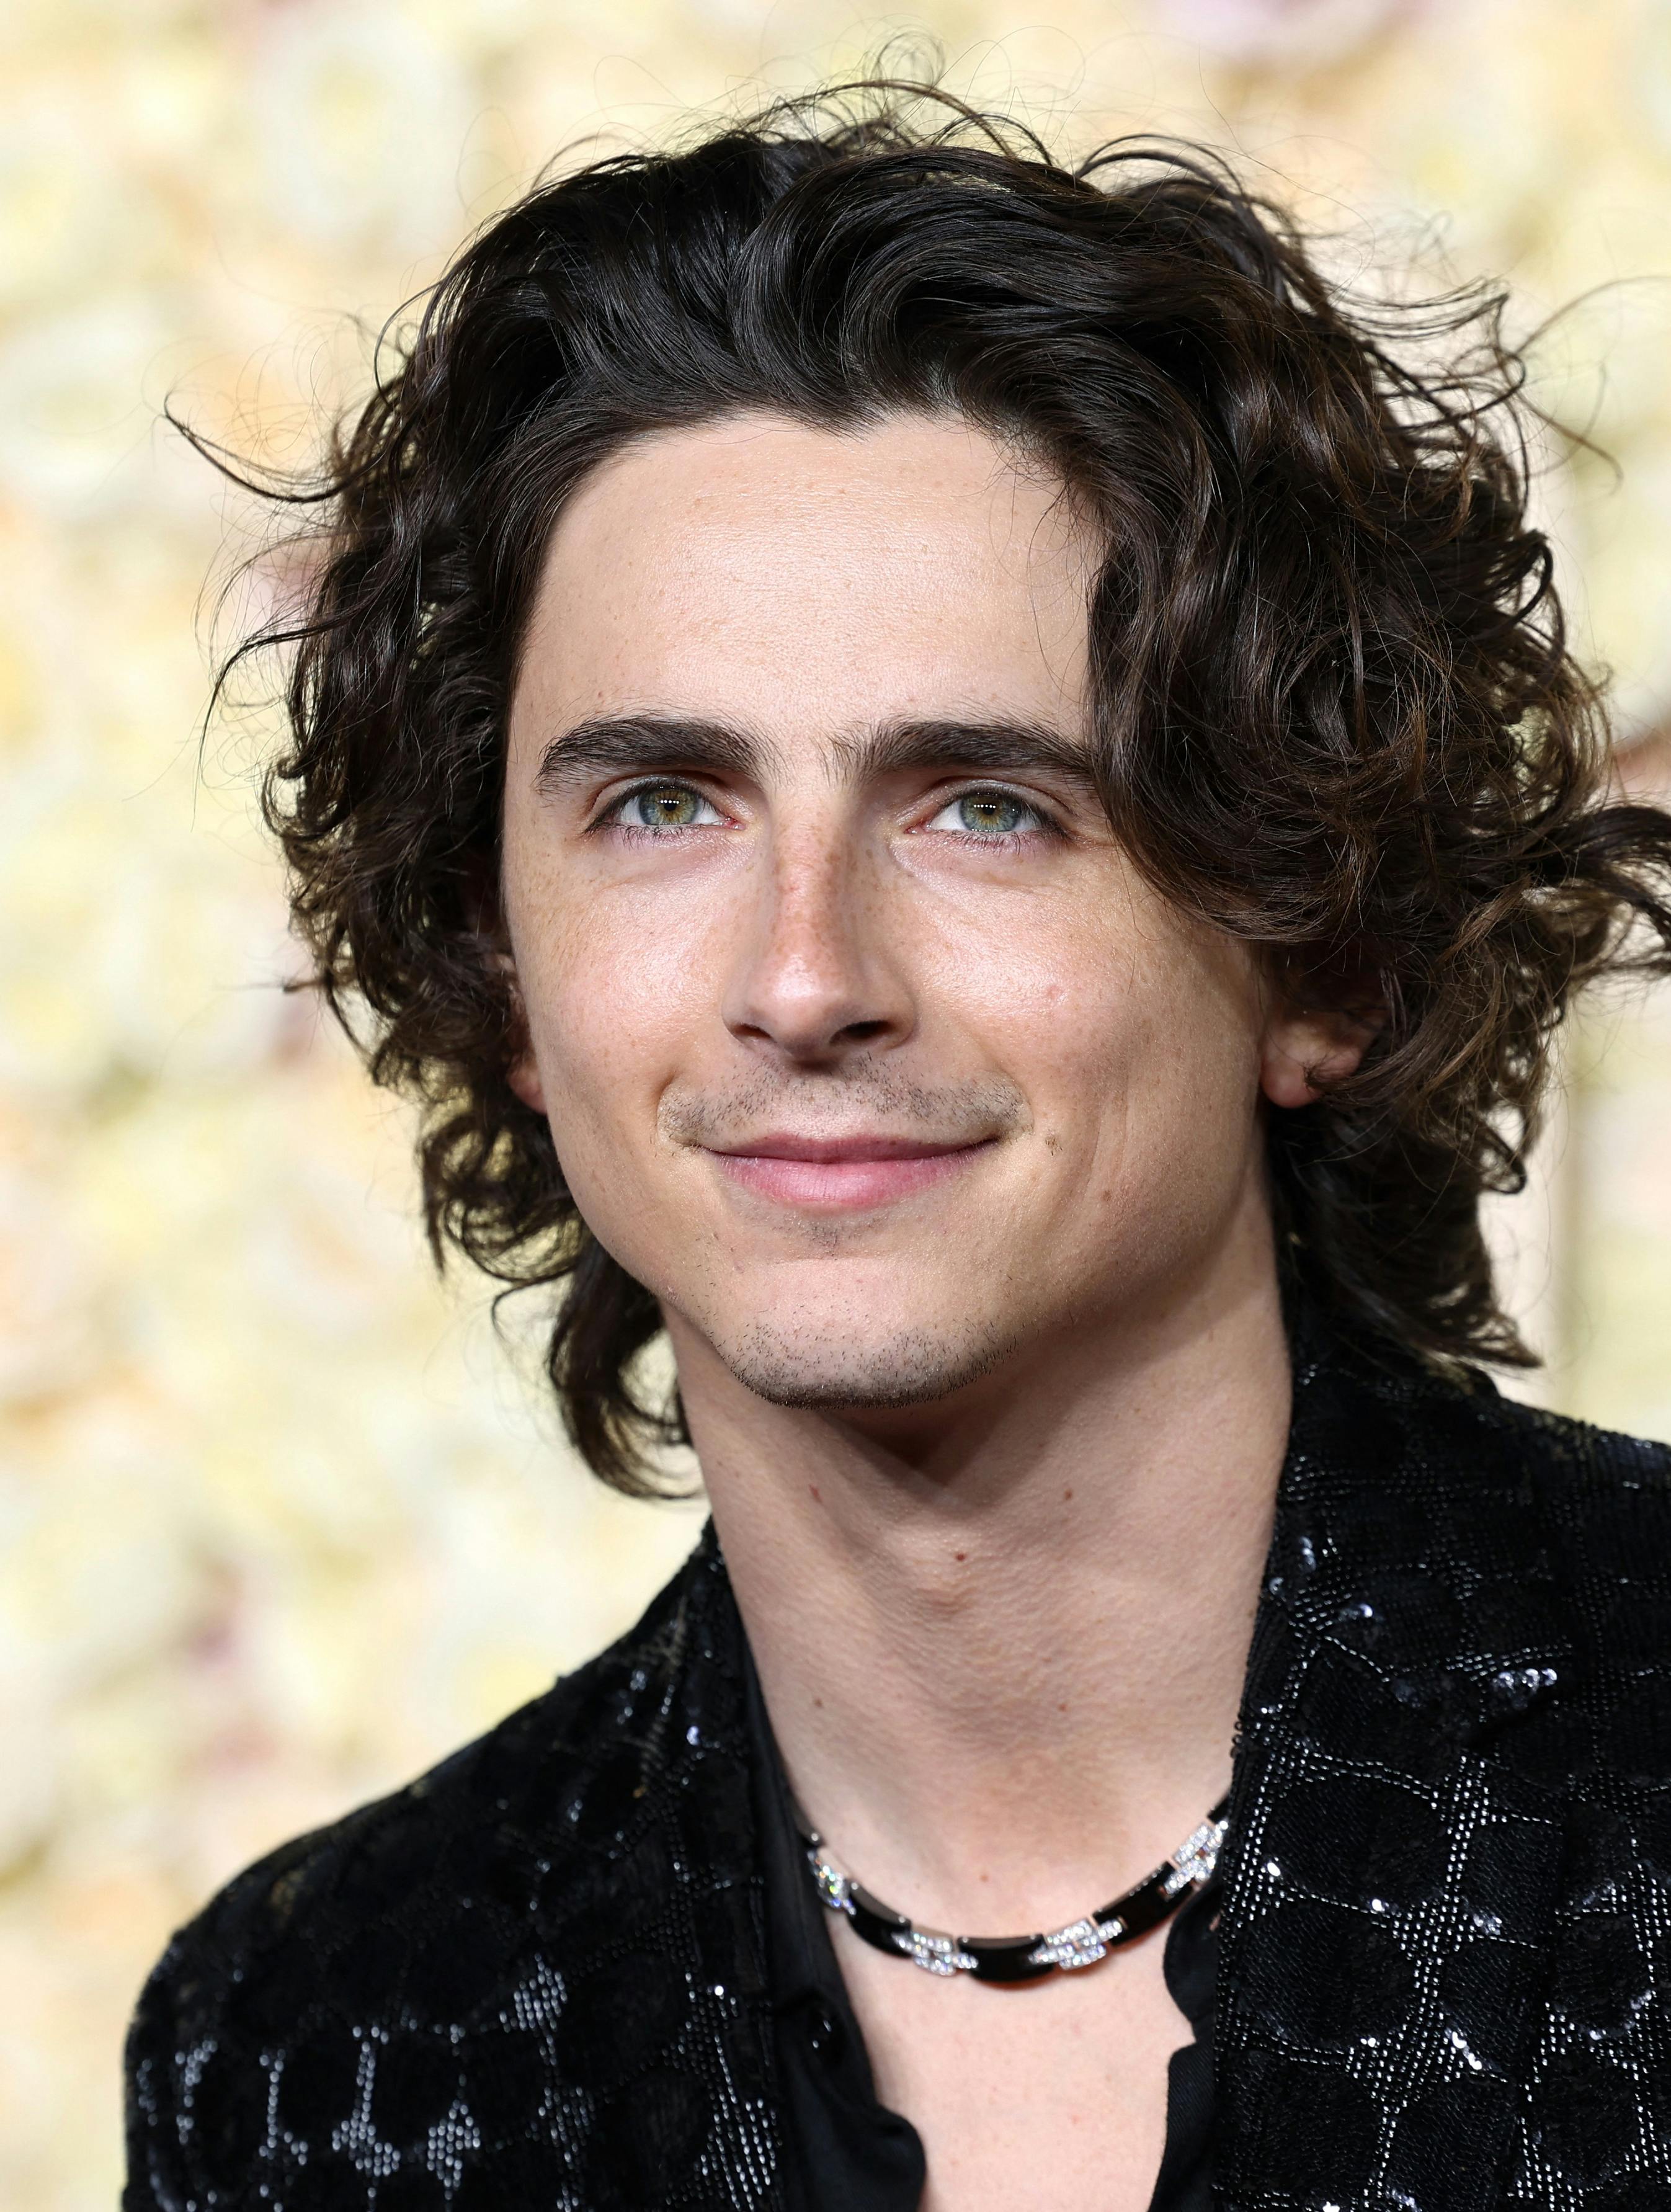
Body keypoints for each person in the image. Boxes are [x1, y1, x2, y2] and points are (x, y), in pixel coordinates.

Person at [124, 82, 1671, 2212]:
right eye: (664, 803)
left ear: (1328, 955)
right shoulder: (314, 2052)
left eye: (989, 806)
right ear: (498, 968)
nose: (805, 976)